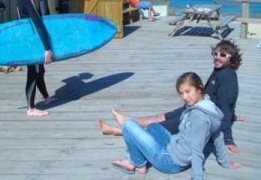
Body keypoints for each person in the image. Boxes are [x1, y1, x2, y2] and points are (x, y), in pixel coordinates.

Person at [97, 40, 243, 154]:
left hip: (198, 117)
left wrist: (228, 138)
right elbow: (226, 101)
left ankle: (117, 130)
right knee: (161, 117)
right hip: (194, 107)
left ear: (232, 59)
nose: (217, 57)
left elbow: (227, 104)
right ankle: (127, 121)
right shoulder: (219, 70)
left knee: (158, 128)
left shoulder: (227, 77)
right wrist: (234, 116)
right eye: (215, 53)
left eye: (223, 55)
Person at [111, 72, 241, 180]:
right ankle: (138, 157)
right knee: (153, 127)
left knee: (128, 125)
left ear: (200, 88)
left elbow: (197, 153)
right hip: (174, 145)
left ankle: (137, 162)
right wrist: (224, 162)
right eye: (181, 93)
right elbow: (218, 135)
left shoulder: (199, 117)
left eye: (188, 91)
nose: (184, 97)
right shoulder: (209, 106)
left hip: (170, 162)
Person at [17, 0, 57, 117]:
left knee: (40, 71)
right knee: (33, 73)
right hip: (31, 42)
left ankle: (46, 98)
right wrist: (47, 48)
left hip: (31, 40)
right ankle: (31, 108)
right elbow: (38, 25)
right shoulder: (26, 0)